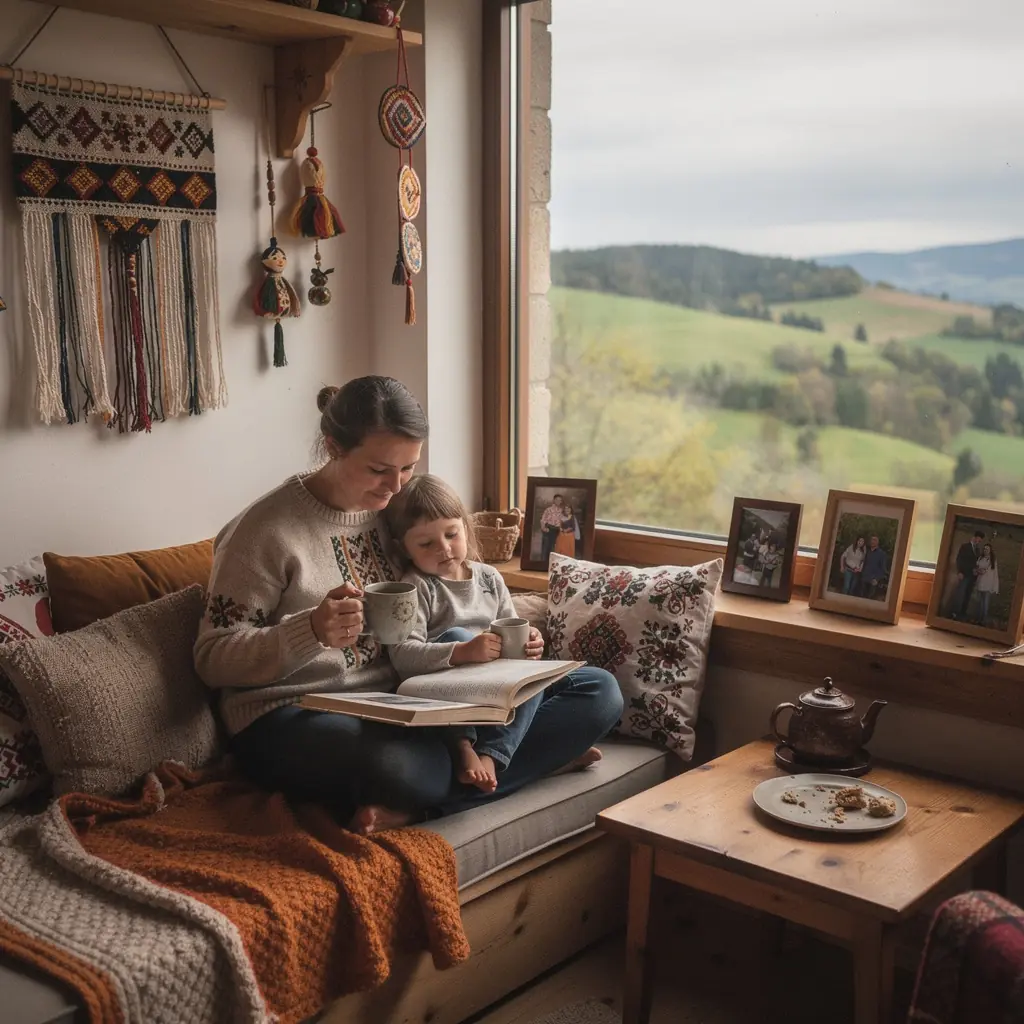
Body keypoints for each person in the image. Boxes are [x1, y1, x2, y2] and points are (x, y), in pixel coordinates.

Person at [194, 376, 623, 835]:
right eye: (380, 470)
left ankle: (454, 790)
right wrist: (310, 631)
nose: (395, 486)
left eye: (408, 468)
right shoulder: (263, 532)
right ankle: (532, 763)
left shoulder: (393, 517)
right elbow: (213, 659)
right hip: (293, 714)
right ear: (333, 447)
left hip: (406, 699)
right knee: (403, 768)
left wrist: (497, 654)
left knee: (598, 692)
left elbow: (447, 592)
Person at [384, 475, 599, 794]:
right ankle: (471, 750)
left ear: (465, 528)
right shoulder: (416, 587)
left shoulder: (489, 577)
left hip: (499, 693)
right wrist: (464, 651)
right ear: (404, 548)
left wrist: (530, 642)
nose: (444, 548)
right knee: (457, 633)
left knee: (596, 684)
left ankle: (524, 755)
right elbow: (403, 656)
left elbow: (511, 627)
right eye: (426, 544)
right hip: (446, 697)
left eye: (451, 534)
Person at [947, 529, 986, 620]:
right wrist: (959, 571)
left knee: (967, 595)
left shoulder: (977, 550)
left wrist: (977, 570)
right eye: (978, 540)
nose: (978, 542)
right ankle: (954, 612)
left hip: (972, 576)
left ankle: (962, 613)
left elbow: (976, 562)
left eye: (980, 541)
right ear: (974, 537)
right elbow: (959, 559)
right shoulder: (965, 547)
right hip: (964, 574)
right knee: (960, 593)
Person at [972, 542, 999, 626]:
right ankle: (978, 618)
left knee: (985, 602)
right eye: (984, 549)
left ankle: (983, 619)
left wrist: (981, 571)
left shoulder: (992, 560)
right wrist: (977, 570)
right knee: (980, 602)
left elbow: (988, 571)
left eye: (987, 549)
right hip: (980, 582)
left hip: (987, 583)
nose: (985, 550)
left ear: (990, 550)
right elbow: (977, 567)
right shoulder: (981, 558)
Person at [860, 535, 890, 601]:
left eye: (875, 540)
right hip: (865, 578)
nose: (873, 541)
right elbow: (863, 563)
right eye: (872, 540)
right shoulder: (867, 552)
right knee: (862, 597)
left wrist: (877, 579)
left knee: (870, 599)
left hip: (873, 580)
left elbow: (883, 568)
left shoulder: (882, 554)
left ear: (877, 542)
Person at [539, 495, 565, 564]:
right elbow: (543, 519)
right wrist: (543, 528)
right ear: (554, 500)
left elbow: (562, 521)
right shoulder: (548, 509)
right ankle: (542, 563)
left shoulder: (561, 511)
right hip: (548, 528)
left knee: (553, 547)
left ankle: (550, 564)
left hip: (556, 530)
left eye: (560, 500)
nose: (558, 501)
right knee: (545, 546)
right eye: (557, 500)